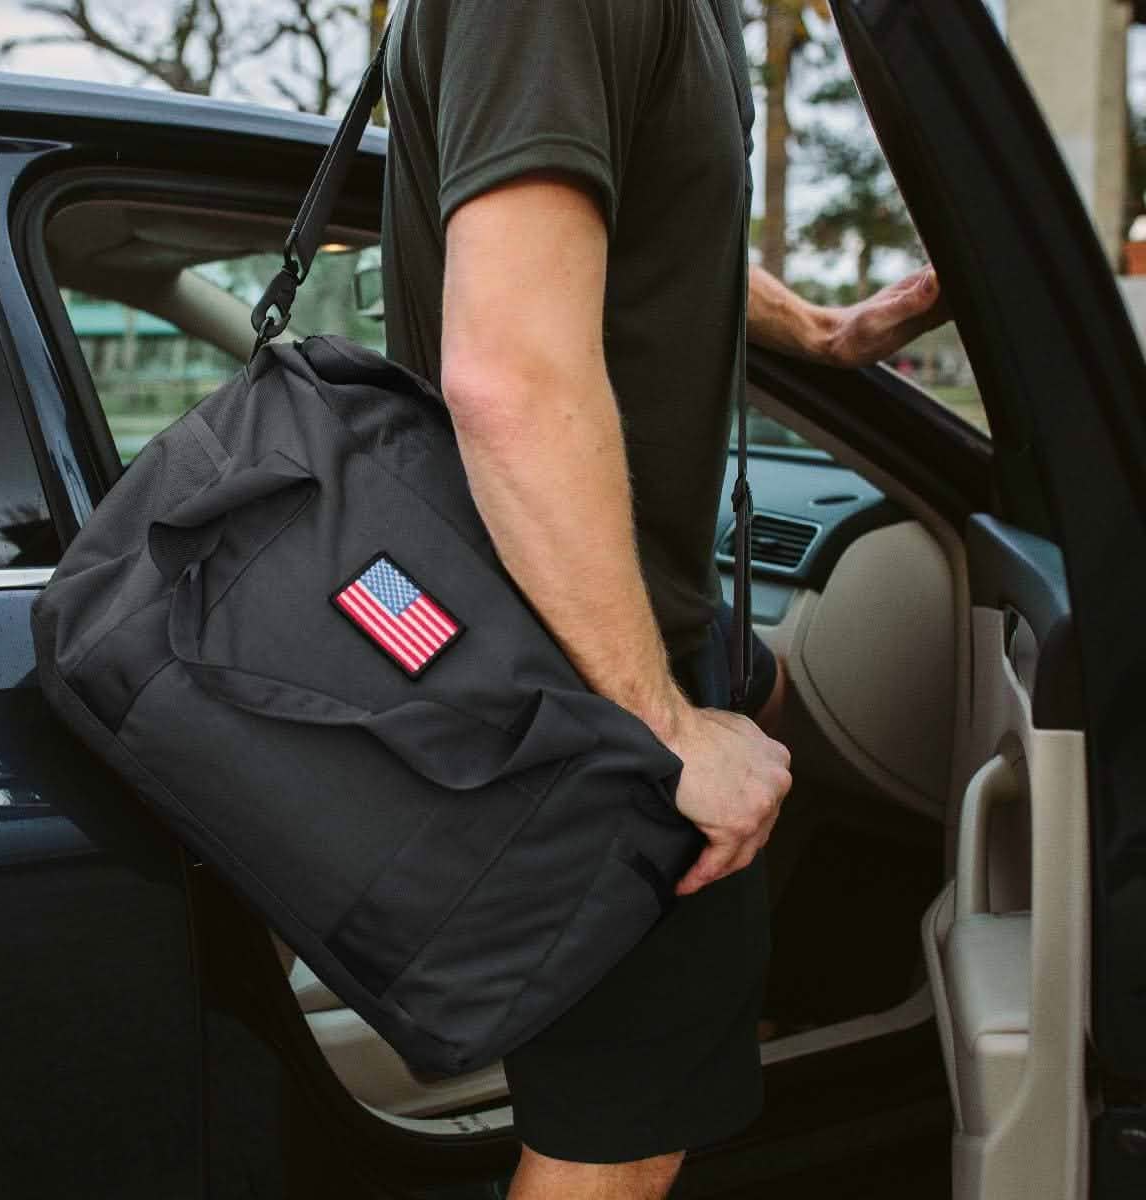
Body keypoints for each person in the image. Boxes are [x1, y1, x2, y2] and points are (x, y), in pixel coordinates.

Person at [379, 2, 947, 1196]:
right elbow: (506, 375)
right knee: (615, 1147)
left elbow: (633, 221)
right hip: (574, 668)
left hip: (616, 644)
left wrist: (830, 333)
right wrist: (658, 724)